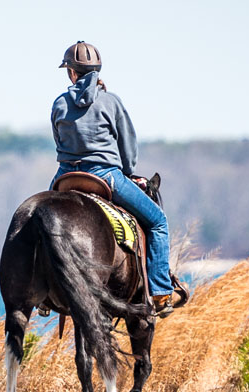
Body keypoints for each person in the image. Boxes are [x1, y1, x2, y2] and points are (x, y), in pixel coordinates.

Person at [50, 41, 182, 316]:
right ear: (96, 72)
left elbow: (58, 140)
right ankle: (159, 293)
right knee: (158, 221)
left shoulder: (59, 103)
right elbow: (129, 149)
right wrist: (127, 169)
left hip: (65, 177)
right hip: (105, 176)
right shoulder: (111, 102)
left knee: (44, 225)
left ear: (71, 73)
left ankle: (44, 295)